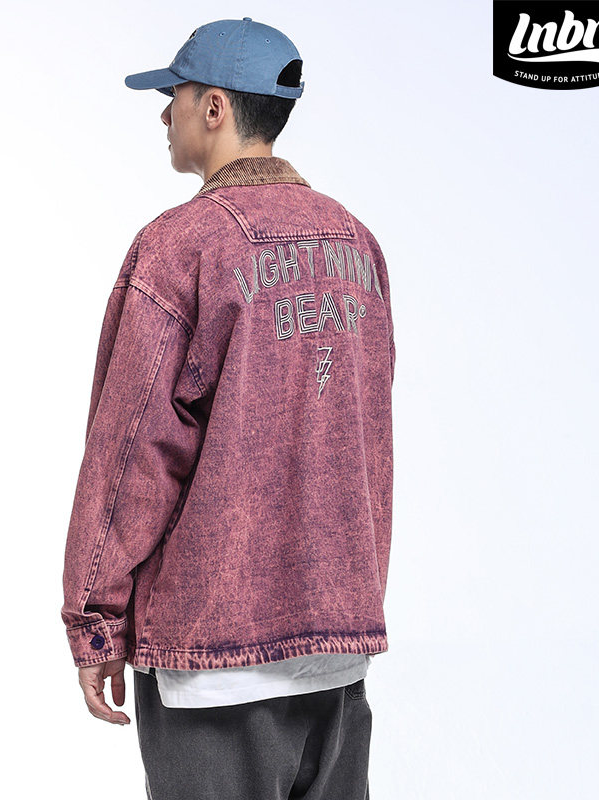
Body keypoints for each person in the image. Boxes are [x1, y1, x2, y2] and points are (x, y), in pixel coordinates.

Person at [61, 16, 396, 800]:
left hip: (212, 662)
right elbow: (371, 437)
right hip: (337, 649)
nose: (163, 113)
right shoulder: (357, 244)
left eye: (174, 95)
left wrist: (95, 620)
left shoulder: (180, 248)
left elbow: (133, 454)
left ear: (214, 107)